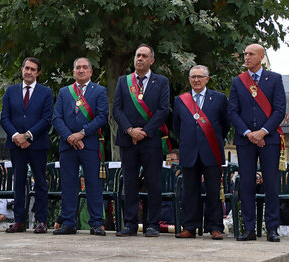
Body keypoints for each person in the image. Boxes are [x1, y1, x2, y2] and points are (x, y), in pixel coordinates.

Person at [228, 43, 286, 242]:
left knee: (271, 184)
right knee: (246, 184)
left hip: (269, 139)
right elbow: (232, 111)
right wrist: (248, 133)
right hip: (245, 140)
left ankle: (272, 228)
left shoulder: (275, 79)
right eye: (245, 54)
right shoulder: (237, 81)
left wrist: (262, 132)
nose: (246, 57)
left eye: (251, 54)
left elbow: (279, 110)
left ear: (261, 57)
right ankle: (249, 228)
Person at [113, 44, 170, 237]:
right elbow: (117, 110)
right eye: (138, 55)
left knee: (153, 183)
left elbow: (163, 110)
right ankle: (130, 224)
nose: (140, 59)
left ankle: (152, 224)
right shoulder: (123, 81)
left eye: (144, 56)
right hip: (128, 140)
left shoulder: (161, 82)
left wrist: (144, 132)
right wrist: (130, 130)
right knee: (129, 183)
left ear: (151, 60)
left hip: (150, 140)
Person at [53, 57, 108, 236]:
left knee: (93, 184)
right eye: (78, 68)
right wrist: (69, 136)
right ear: (74, 71)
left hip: (90, 144)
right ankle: (68, 222)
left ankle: (96, 223)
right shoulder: (64, 91)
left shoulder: (99, 91)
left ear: (91, 72)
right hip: (67, 144)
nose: (81, 70)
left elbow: (102, 117)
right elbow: (57, 118)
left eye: (85, 68)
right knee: (68, 184)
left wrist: (82, 133)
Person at [173, 65, 229, 240]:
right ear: (189, 79)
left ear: (207, 79)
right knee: (189, 191)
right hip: (189, 151)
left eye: (200, 77)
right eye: (193, 77)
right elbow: (176, 127)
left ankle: (215, 227)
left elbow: (225, 125)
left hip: (211, 150)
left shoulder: (219, 98)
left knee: (213, 190)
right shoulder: (181, 100)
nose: (196, 80)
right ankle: (189, 227)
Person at [0, 57, 53, 233]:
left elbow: (46, 119)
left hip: (37, 144)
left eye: (33, 69)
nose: (29, 72)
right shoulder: (11, 91)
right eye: (26, 68)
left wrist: (28, 136)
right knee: (19, 182)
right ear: (22, 69)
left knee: (40, 182)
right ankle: (19, 221)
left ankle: (41, 221)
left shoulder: (46, 92)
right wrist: (16, 136)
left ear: (38, 72)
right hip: (16, 144)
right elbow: (5, 117)